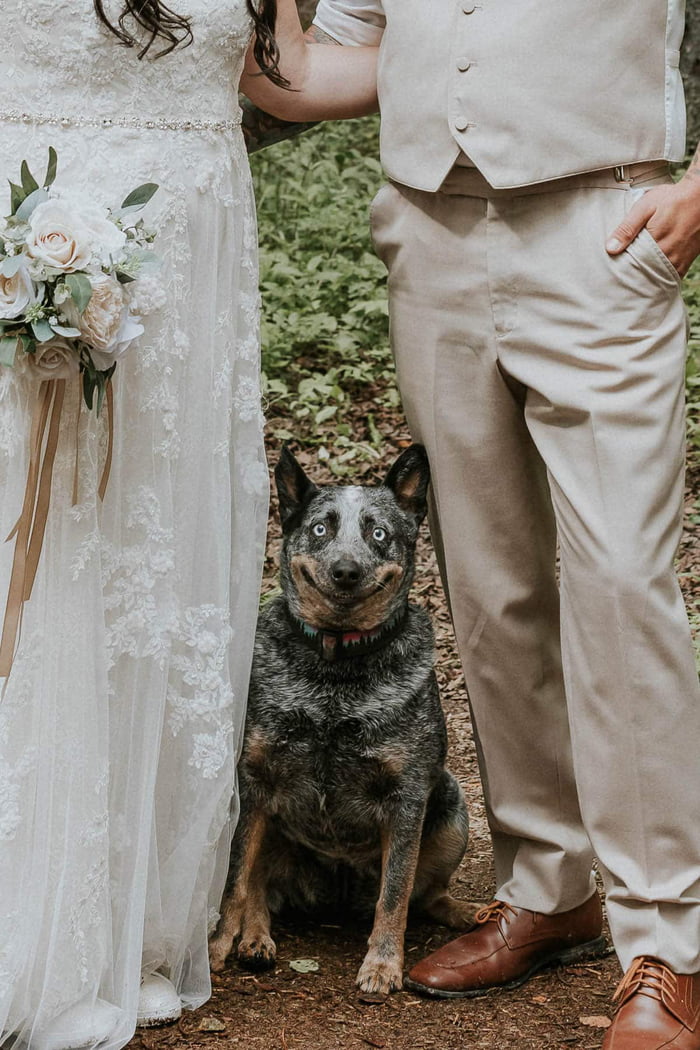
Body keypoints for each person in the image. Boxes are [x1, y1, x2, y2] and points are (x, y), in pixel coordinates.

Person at [241, 3, 700, 1047]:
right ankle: (549, 888)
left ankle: (664, 944)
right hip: (431, 239)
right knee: (490, 590)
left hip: (602, 231)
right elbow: (338, 58)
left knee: (621, 586)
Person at [0, 2, 273, 1047]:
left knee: (146, 570)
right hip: (36, 216)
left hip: (187, 259)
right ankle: (38, 926)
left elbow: (279, 74)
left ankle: (122, 916)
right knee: (46, 540)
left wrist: (451, 66)